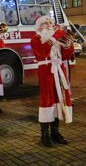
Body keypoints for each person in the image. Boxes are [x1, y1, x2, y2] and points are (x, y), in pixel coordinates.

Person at [30, 15, 74, 148]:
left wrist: (68, 44)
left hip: (58, 69)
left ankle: (55, 132)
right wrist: (55, 38)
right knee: (47, 100)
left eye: (50, 22)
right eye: (45, 23)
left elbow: (66, 55)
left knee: (57, 99)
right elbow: (43, 52)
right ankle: (45, 134)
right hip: (46, 71)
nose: (49, 25)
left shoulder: (55, 38)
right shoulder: (36, 39)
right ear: (39, 26)